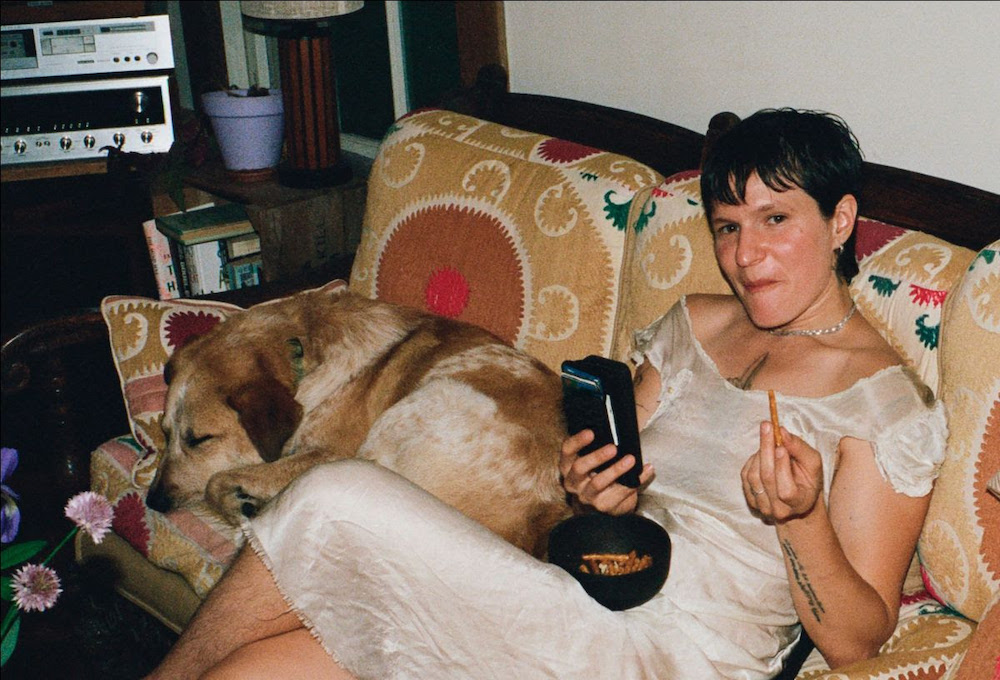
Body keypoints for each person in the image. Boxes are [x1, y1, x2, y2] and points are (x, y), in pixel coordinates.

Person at [145, 109, 945, 680]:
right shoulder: (696, 324)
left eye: (776, 220)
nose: (746, 254)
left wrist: (801, 520)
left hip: (674, 655)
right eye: (729, 226)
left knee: (334, 496)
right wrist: (591, 484)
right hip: (573, 589)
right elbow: (604, 470)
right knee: (267, 666)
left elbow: (857, 642)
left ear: (841, 220)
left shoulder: (883, 402)